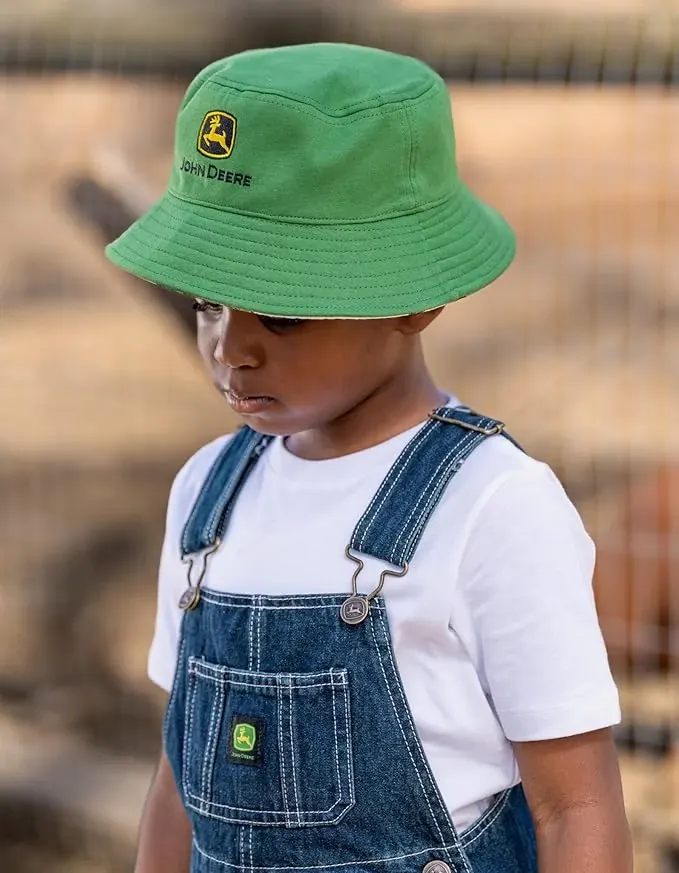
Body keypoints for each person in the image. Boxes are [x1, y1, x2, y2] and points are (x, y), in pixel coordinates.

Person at [106, 42, 632, 873]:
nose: (230, 348)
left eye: (280, 315)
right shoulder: (206, 496)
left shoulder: (492, 504)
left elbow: (576, 804)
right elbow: (180, 783)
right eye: (207, 303)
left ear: (415, 298)